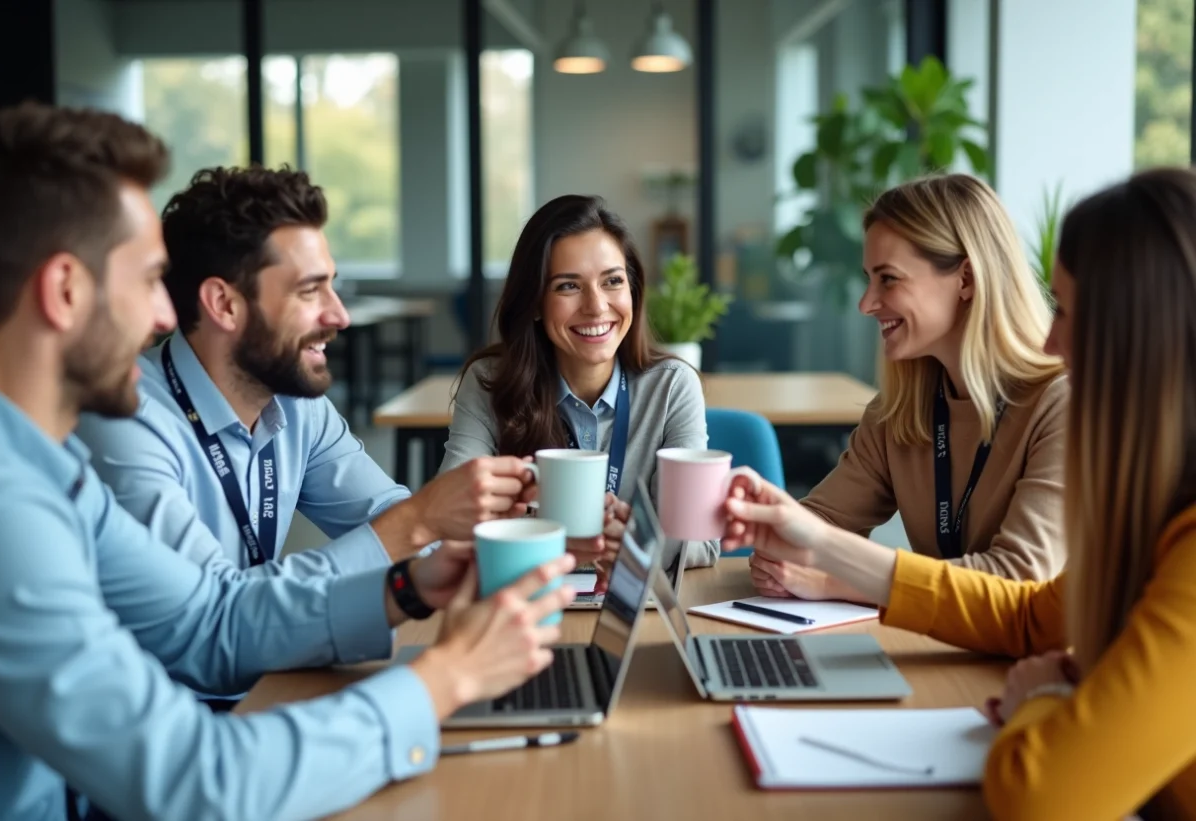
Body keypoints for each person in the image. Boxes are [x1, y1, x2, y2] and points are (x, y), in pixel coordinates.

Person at [0, 101, 575, 821]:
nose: (164, 316)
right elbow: (200, 782)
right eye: (148, 280)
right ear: (65, 292)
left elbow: (211, 619)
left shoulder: (45, 469)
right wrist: (443, 679)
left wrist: (408, 585)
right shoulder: (11, 507)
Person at [723, 166, 1196, 821]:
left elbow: (1042, 796)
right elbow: (1030, 617)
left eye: (1067, 311)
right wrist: (814, 542)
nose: (1052, 340)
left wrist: (1042, 701)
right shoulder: (1152, 509)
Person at [77, 166, 532, 584]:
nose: (339, 316)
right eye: (309, 290)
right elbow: (208, 608)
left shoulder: (297, 406)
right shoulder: (126, 416)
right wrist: (421, 520)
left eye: (332, 285)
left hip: (261, 667)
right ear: (223, 304)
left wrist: (509, 537)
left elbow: (383, 516)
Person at [750, 174, 1068, 604]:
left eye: (889, 279)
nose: (866, 303)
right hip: (941, 653)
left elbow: (1017, 581)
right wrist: (779, 542)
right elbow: (816, 525)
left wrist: (838, 581)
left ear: (967, 279)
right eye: (868, 278)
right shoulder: (900, 410)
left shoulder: (1063, 406)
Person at [442, 194, 718, 581]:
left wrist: (626, 542)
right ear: (535, 302)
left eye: (613, 281)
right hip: (527, 605)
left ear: (633, 291)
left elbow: (701, 541)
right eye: (568, 286)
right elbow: (446, 522)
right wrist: (557, 539)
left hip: (633, 611)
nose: (596, 306)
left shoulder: (672, 386)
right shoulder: (491, 381)